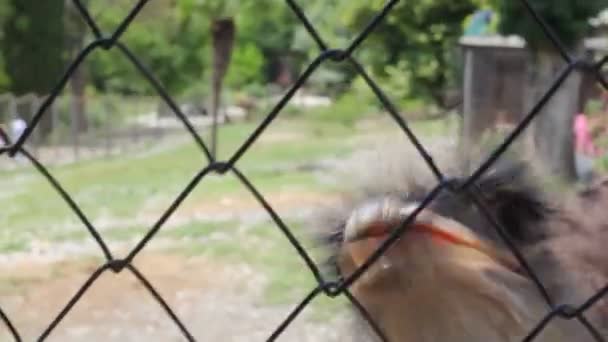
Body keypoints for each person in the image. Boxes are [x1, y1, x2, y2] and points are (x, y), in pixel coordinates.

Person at [573, 112, 598, 182]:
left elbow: (582, 138)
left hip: (584, 155)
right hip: (584, 154)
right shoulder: (581, 119)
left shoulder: (581, 119)